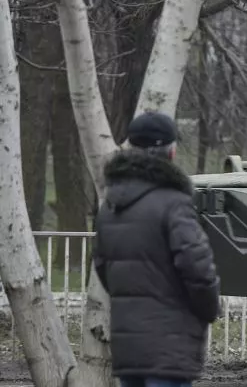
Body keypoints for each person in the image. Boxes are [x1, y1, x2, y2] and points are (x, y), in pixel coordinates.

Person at [92, 111, 221, 387]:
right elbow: (198, 269)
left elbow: (103, 268)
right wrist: (209, 309)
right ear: (170, 152)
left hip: (128, 342)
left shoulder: (110, 205)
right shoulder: (175, 203)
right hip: (170, 342)